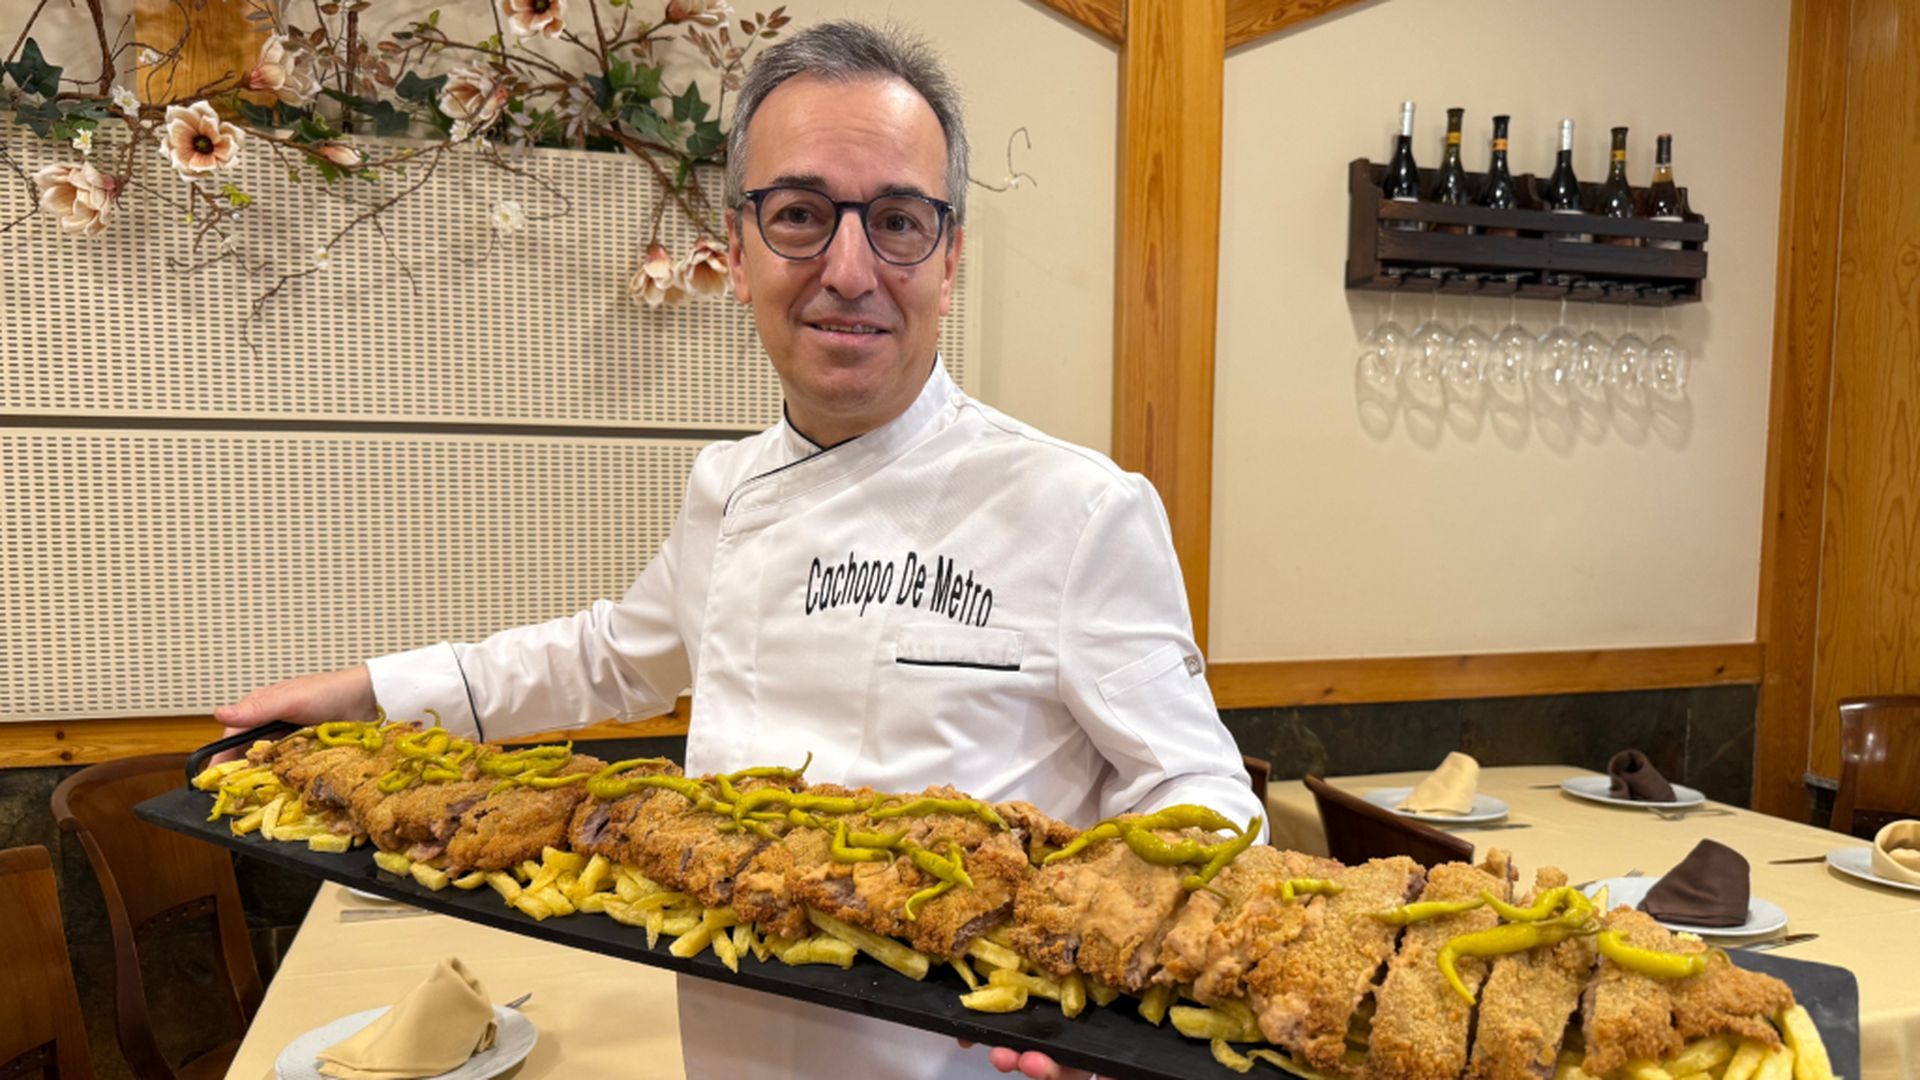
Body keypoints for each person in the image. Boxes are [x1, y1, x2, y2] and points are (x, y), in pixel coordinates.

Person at [217, 20, 1261, 1080]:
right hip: (728, 1051)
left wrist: (1128, 1009)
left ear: (950, 258)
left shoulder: (1079, 509)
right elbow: (610, 658)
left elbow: (1199, 789)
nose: (849, 270)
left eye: (898, 222)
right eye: (800, 214)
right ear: (740, 244)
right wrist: (376, 694)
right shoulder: (726, 488)